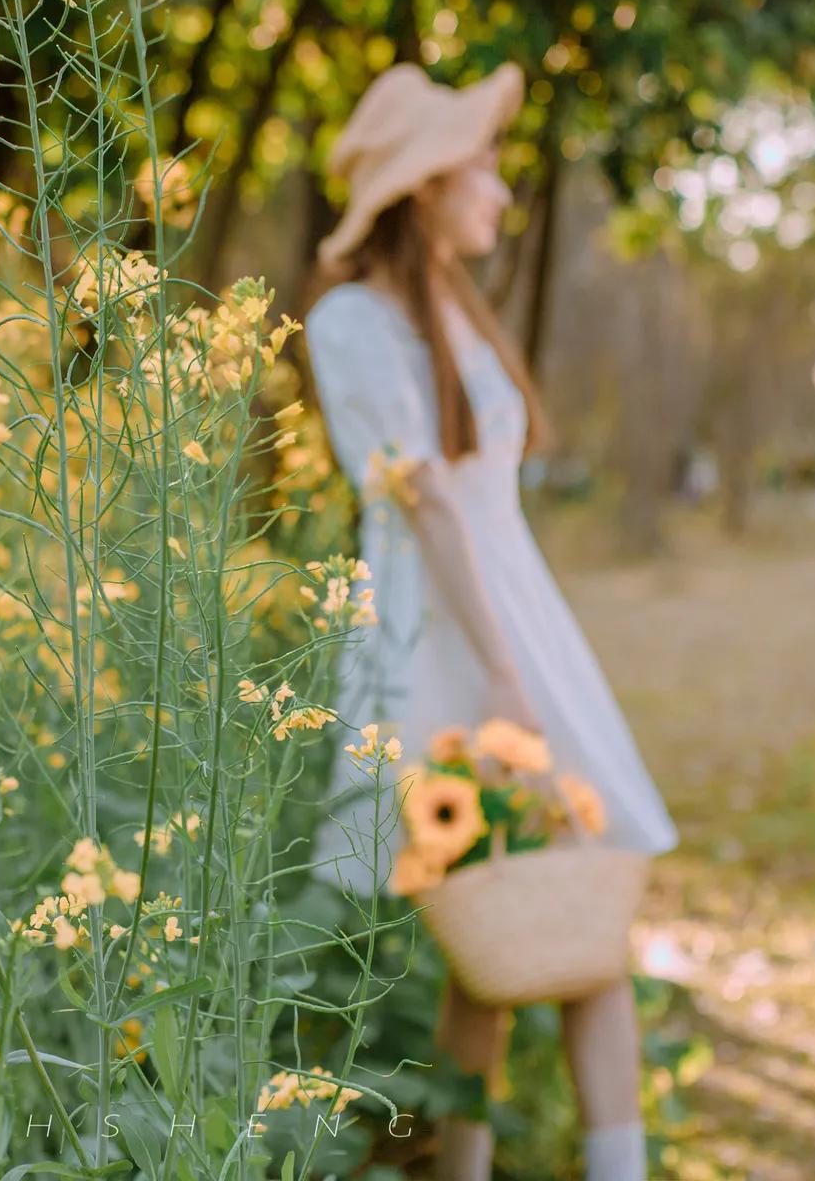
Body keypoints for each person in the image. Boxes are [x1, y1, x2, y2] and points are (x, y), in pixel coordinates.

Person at [302, 64, 678, 1181]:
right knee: (545, 920)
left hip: (510, 620)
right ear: (424, 186)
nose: (502, 189)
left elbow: (477, 509)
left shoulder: (450, 306)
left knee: (507, 940)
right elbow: (428, 506)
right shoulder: (352, 320)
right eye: (481, 164)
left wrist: (525, 654)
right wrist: (510, 680)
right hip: (451, 644)